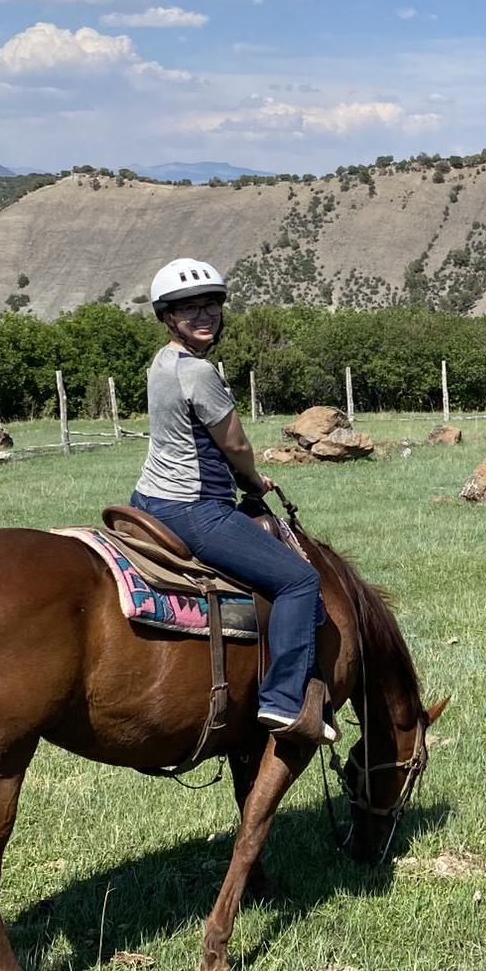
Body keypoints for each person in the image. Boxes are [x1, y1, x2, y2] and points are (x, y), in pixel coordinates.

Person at [130, 259, 335, 742]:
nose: (203, 316)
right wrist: (251, 479)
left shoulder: (162, 363)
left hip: (147, 497)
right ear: (168, 317)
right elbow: (236, 446)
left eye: (210, 305)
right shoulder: (199, 373)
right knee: (300, 580)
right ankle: (283, 701)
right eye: (188, 310)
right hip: (193, 508)